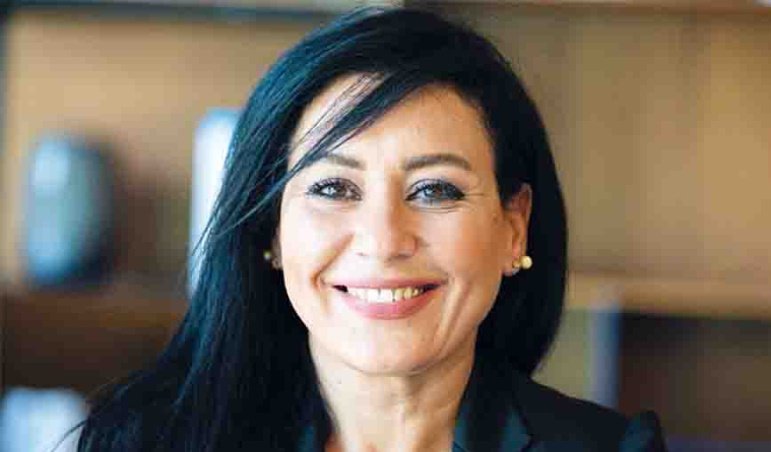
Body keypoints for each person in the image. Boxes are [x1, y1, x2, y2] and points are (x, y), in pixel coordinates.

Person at [78, 7, 665, 451]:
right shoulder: (146, 441)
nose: (383, 241)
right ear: (272, 230)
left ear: (514, 228)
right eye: (334, 188)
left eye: (434, 190)